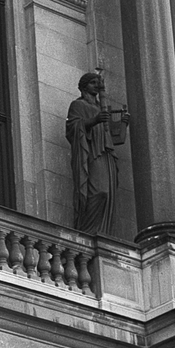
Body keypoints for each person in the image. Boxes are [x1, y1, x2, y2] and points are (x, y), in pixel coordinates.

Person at [65, 71, 128, 236]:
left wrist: (123, 124)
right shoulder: (78, 105)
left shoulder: (102, 108)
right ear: (84, 87)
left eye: (98, 83)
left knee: (108, 194)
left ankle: (102, 231)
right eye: (93, 83)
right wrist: (95, 120)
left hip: (106, 154)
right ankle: (88, 230)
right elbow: (72, 128)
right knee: (99, 191)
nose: (97, 86)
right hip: (91, 153)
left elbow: (114, 137)